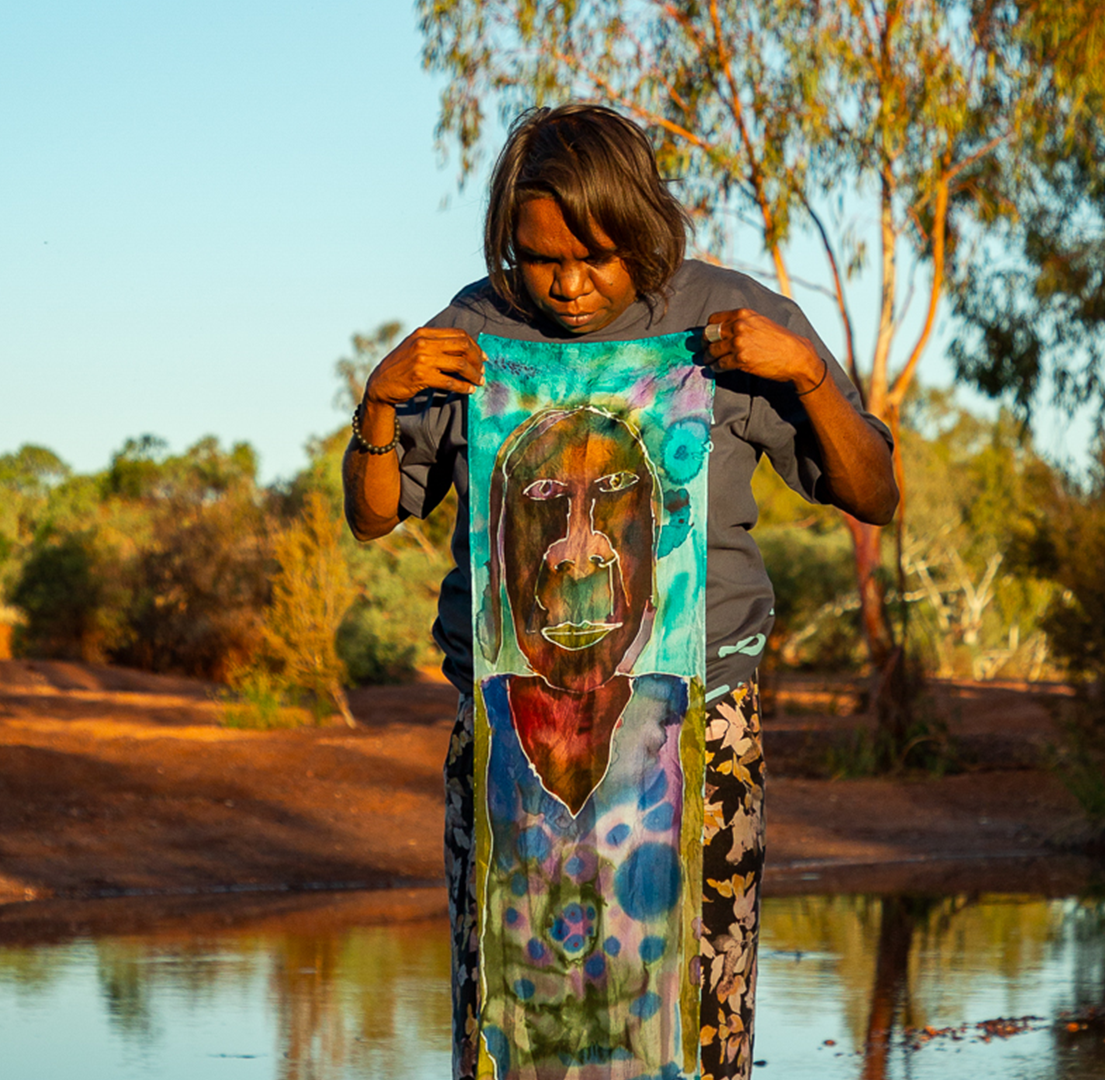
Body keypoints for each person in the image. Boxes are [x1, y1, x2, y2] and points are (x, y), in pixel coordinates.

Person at [343, 103, 898, 1080]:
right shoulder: (476, 328)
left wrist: (806, 371)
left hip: (695, 732)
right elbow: (376, 514)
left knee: (693, 1019)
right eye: (537, 259)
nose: (564, 285)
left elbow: (873, 491)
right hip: (506, 742)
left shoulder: (731, 322)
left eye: (592, 257)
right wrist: (381, 403)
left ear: (642, 226)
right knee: (510, 1026)